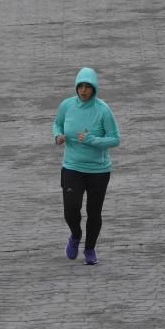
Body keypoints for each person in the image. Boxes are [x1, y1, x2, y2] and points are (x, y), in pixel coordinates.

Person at [53, 67, 121, 265]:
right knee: (71, 208)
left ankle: (90, 249)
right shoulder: (66, 106)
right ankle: (75, 235)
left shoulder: (103, 110)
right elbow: (57, 124)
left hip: (98, 170)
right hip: (72, 166)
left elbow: (115, 139)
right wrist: (57, 136)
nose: (83, 91)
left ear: (94, 89)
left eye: (88, 87)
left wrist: (93, 140)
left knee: (94, 211)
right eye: (80, 86)